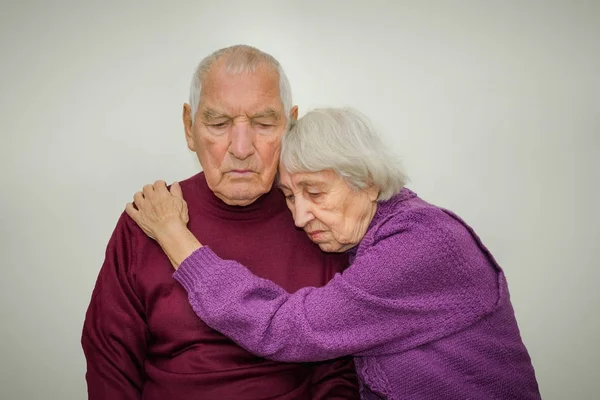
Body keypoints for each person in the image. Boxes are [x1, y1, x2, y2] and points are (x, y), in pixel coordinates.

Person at [127, 108, 542, 399]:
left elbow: (285, 328)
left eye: (316, 192)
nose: (300, 216)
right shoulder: (363, 240)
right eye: (290, 196)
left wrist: (173, 236)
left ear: (369, 183)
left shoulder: (423, 243)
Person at [82, 46, 360, 399]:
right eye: (218, 123)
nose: (241, 148)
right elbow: (110, 363)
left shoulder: (317, 220)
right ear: (189, 126)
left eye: (263, 123)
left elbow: (341, 370)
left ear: (289, 125)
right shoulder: (148, 219)